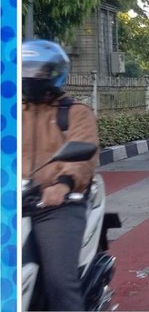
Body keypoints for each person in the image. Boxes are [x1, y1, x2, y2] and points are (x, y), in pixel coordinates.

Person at [21, 40, 100, 310]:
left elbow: (84, 158)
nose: (31, 77)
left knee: (58, 281)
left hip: (56, 207)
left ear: (55, 74)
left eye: (39, 71)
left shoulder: (76, 113)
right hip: (14, 203)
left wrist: (63, 184)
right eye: (25, 70)